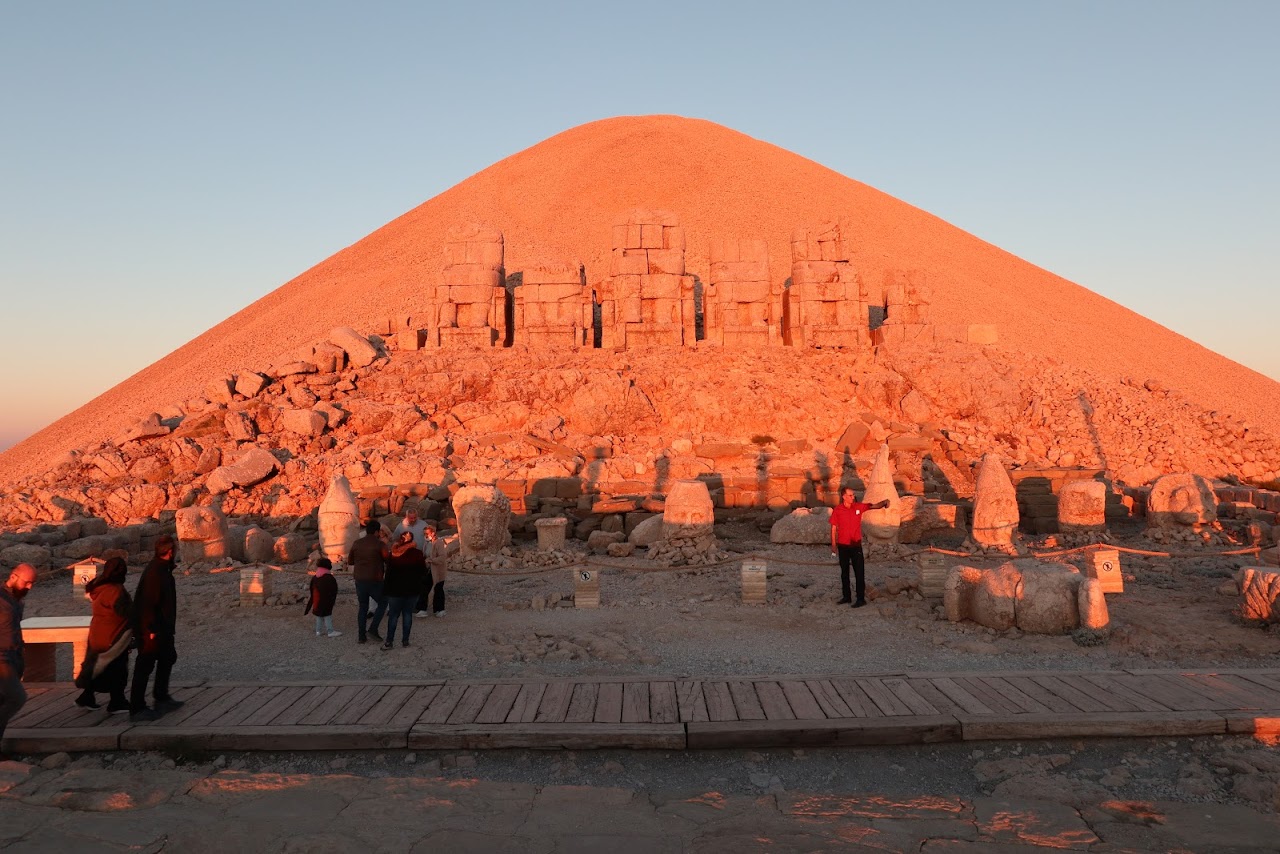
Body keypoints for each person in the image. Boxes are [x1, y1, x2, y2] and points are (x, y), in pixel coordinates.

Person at [130, 536, 183, 720]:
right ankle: (137, 708)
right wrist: (150, 629)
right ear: (170, 552)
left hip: (163, 627)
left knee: (168, 658)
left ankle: (161, 697)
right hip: (152, 629)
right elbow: (147, 603)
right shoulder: (156, 572)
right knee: (145, 665)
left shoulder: (162, 569)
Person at [75, 557, 133, 712]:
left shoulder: (99, 587)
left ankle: (87, 696)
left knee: (98, 667)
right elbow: (126, 613)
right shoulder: (115, 591)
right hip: (113, 636)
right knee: (117, 669)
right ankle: (117, 702)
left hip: (97, 633)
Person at [829, 486, 890, 608]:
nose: (853, 497)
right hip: (843, 546)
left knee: (859, 572)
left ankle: (860, 599)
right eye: (850, 495)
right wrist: (833, 545)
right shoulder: (838, 510)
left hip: (856, 545)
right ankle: (846, 596)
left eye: (853, 495)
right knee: (844, 573)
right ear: (844, 497)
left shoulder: (858, 507)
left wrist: (884, 503)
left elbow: (873, 506)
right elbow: (834, 527)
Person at [0, 564, 36, 758]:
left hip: (14, 657)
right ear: (13, 577)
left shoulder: (17, 601)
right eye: (26, 582)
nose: (29, 587)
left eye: (32, 583)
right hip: (1, 659)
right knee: (17, 698)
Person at [382, 530, 425, 650]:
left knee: (394, 616)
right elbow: (422, 571)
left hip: (395, 590)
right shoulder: (417, 553)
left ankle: (389, 642)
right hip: (412, 589)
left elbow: (388, 573)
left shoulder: (393, 554)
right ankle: (405, 641)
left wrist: (386, 589)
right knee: (407, 615)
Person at [349, 520, 388, 645]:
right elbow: (387, 559)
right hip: (375, 580)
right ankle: (373, 628)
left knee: (363, 607)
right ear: (377, 531)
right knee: (383, 602)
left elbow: (350, 561)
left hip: (360, 579)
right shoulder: (380, 544)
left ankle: (361, 636)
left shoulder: (357, 543)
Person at [417, 523, 447, 618]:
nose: (426, 535)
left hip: (437, 570)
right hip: (428, 570)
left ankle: (439, 609)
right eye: (424, 534)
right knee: (424, 589)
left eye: (427, 533)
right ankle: (422, 609)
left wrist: (431, 560)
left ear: (433, 533)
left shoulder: (438, 543)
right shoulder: (426, 543)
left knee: (438, 589)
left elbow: (442, 557)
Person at [305, 558, 341, 637]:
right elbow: (334, 590)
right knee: (327, 615)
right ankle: (330, 631)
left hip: (317, 601)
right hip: (326, 601)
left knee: (319, 616)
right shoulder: (329, 578)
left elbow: (311, 590)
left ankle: (318, 631)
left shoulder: (315, 577)